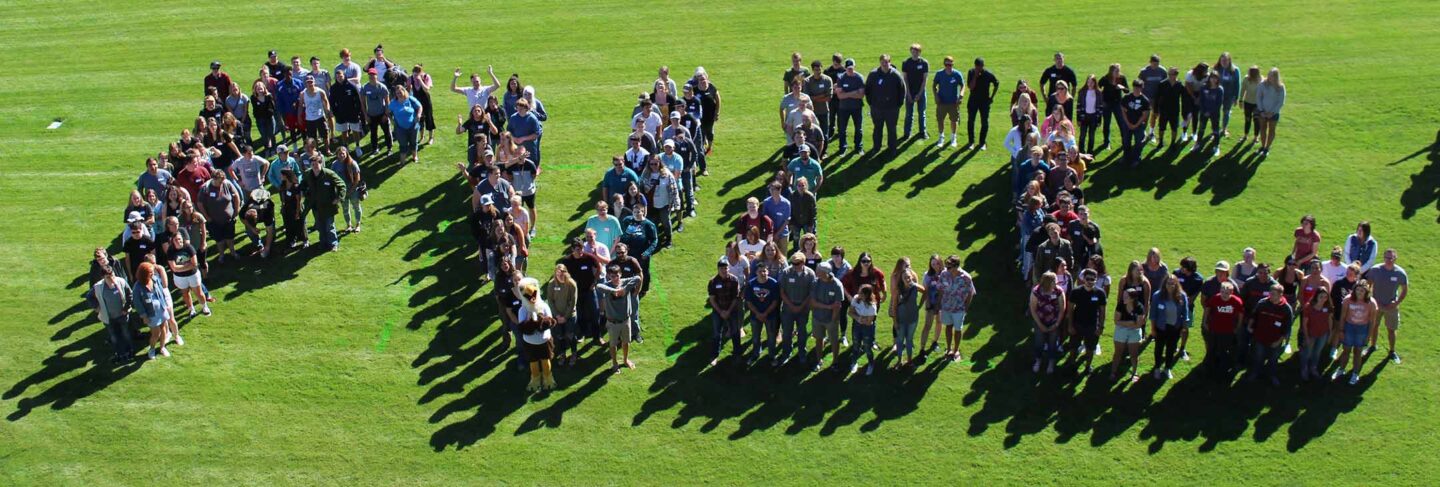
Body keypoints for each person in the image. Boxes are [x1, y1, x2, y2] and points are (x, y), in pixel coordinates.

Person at [1363, 249, 1407, 363]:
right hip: (1377, 305)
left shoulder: (1400, 273)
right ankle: (1372, 346)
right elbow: (1368, 285)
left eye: (1391, 258)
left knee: (1391, 329)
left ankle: (1392, 351)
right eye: (1386, 258)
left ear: (1395, 259)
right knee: (1374, 326)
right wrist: (1372, 300)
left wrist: (1396, 303)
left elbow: (1404, 289)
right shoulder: (1375, 270)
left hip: (1391, 306)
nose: (1388, 260)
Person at [597, 264, 643, 371]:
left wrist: (625, 289)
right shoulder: (607, 286)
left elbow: (638, 278)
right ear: (609, 276)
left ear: (620, 274)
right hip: (613, 323)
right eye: (612, 276)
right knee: (613, 344)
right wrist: (614, 291)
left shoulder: (625, 282)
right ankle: (614, 363)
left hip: (626, 321)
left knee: (626, 342)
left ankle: (626, 360)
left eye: (617, 275)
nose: (615, 278)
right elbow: (598, 286)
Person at [514, 277, 557, 391]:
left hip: (544, 341)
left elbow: (552, 322)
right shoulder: (522, 310)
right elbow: (522, 328)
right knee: (533, 362)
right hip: (530, 342)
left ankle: (548, 378)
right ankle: (535, 379)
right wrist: (532, 323)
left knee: (545, 360)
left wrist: (540, 320)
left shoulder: (543, 306)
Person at [1247, 283, 1293, 385]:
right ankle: (1255, 373)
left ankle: (1272, 375)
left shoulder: (1286, 309)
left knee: (1273, 359)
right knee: (1258, 357)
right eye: (1270, 293)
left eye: (1274, 294)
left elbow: (1287, 328)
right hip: (1259, 338)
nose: (1271, 296)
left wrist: (1279, 341)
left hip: (1275, 340)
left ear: (1281, 295)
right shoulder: (1262, 303)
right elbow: (1254, 316)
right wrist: (1250, 326)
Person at [90, 259, 135, 364]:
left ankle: (130, 351)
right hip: (108, 318)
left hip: (122, 316)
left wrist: (126, 308)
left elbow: (130, 295)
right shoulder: (98, 287)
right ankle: (120, 354)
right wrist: (96, 308)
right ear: (103, 277)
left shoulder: (121, 281)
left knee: (126, 334)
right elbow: (89, 297)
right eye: (108, 277)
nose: (111, 279)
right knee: (114, 337)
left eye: (112, 275)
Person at [1334, 280, 1377, 385]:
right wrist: (1341, 330)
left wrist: (1369, 335)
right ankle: (1341, 369)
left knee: (1358, 352)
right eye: (1358, 290)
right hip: (1349, 327)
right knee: (1346, 350)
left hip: (1362, 329)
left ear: (1366, 292)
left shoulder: (1371, 303)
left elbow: (1372, 321)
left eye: (1362, 290)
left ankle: (1355, 373)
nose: (1359, 292)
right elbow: (1343, 316)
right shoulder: (1348, 300)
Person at [841, 252, 886, 348]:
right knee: (857, 321)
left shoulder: (876, 272)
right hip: (858, 303)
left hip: (872, 303)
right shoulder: (852, 273)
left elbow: (882, 281)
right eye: (863, 261)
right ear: (859, 262)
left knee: (871, 323)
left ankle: (871, 341)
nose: (866, 263)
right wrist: (849, 297)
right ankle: (857, 342)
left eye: (868, 261)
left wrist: (884, 293)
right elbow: (843, 285)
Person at [1148, 275, 1190, 379]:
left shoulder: (1182, 296)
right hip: (1161, 327)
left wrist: (1183, 327)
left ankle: (1167, 368)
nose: (1170, 286)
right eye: (1168, 283)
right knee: (1159, 348)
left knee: (1171, 349)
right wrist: (1153, 329)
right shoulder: (1157, 296)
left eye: (1172, 283)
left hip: (1175, 327)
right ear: (1164, 284)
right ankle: (1157, 368)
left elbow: (1185, 313)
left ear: (1176, 284)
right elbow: (1153, 314)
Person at [197, 170, 243, 263]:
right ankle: (221, 255)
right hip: (214, 220)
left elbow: (236, 196)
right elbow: (200, 203)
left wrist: (236, 210)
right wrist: (207, 217)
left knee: (230, 237)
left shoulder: (227, 183)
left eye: (223, 180)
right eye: (220, 181)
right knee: (219, 239)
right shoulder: (205, 188)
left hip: (229, 219)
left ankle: (233, 252)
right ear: (213, 179)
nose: (222, 182)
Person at [740, 263, 780, 367]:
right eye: (760, 271)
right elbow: (748, 301)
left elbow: (775, 301)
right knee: (755, 337)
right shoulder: (751, 284)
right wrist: (758, 314)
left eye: (764, 271)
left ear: (768, 272)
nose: (762, 273)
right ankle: (755, 354)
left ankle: (772, 356)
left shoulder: (774, 283)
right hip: (755, 316)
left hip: (770, 316)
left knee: (771, 338)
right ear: (756, 272)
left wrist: (765, 313)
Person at [1066, 268, 1106, 373]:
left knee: (1090, 348)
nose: (1090, 281)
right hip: (1077, 324)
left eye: (1093, 279)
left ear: (1096, 280)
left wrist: (1100, 327)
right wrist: (1070, 325)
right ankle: (1071, 366)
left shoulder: (1100, 293)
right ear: (1083, 279)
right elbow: (1070, 309)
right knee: (1073, 347)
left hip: (1092, 326)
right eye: (1088, 279)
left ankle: (1088, 367)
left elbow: (1102, 312)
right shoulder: (1076, 291)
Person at [303, 155, 347, 251]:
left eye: (317, 164)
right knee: (320, 226)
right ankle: (322, 243)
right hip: (315, 206)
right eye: (313, 164)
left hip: (328, 206)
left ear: (321, 163)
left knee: (329, 226)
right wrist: (305, 193)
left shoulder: (329, 174)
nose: (315, 166)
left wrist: (339, 198)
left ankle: (333, 244)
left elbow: (342, 185)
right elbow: (303, 184)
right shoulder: (308, 174)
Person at [131, 263, 172, 360]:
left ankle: (162, 348)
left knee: (164, 330)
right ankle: (152, 349)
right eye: (150, 272)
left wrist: (165, 305)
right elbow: (137, 303)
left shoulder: (155, 279)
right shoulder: (137, 287)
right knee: (156, 333)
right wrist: (144, 316)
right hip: (151, 313)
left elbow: (161, 292)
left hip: (161, 309)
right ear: (144, 273)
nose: (152, 273)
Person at [1028, 271, 1066, 374]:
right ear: (1048, 282)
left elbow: (1062, 308)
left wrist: (1057, 324)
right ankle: (1038, 360)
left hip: (1054, 322)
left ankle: (1051, 362)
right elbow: (1033, 309)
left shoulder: (1059, 291)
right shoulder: (1036, 291)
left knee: (1052, 343)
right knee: (1039, 343)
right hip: (1040, 321)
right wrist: (1040, 325)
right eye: (1054, 281)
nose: (1056, 282)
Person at [707, 260, 744, 367]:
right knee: (716, 333)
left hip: (732, 310)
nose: (724, 270)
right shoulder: (713, 282)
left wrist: (728, 311)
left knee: (735, 332)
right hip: (718, 310)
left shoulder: (734, 280)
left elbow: (735, 298)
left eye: (726, 268)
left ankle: (737, 354)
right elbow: (712, 299)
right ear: (718, 269)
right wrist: (721, 312)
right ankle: (714, 355)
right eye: (722, 268)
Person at [889, 257, 924, 368]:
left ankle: (909, 360)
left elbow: (924, 291)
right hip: (901, 316)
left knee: (909, 340)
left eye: (909, 277)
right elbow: (894, 304)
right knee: (900, 339)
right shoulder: (896, 285)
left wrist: (919, 305)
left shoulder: (914, 282)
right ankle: (899, 360)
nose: (908, 279)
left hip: (913, 317)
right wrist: (895, 320)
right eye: (906, 278)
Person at [544, 265, 579, 367]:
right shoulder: (551, 284)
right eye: (558, 273)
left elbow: (573, 302)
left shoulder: (572, 284)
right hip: (557, 317)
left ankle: (574, 353)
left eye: (562, 272)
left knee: (570, 335)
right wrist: (557, 316)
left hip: (570, 316)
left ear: (566, 272)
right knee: (560, 336)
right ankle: (562, 354)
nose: (560, 275)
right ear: (555, 273)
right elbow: (550, 301)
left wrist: (565, 317)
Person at [1111, 284, 1146, 383]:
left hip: (1133, 332)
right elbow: (1116, 321)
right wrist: (1130, 323)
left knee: (1134, 354)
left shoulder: (1139, 307)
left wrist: (1126, 324)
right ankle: (1113, 372)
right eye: (1124, 295)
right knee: (1118, 353)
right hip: (1121, 330)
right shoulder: (1121, 305)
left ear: (1132, 298)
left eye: (1126, 296)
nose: (1123, 297)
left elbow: (1139, 325)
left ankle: (1134, 373)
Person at [931, 56, 966, 148]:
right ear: (944, 64)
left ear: (953, 64)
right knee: (940, 120)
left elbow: (963, 85)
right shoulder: (939, 74)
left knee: (954, 120)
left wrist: (961, 96)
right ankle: (941, 137)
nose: (948, 66)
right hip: (941, 102)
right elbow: (934, 85)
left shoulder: (957, 74)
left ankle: (953, 137)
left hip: (953, 103)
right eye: (946, 64)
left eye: (950, 64)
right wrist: (936, 96)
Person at [965, 57, 999, 150]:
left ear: (983, 66)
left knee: (984, 122)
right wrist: (975, 76)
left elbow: (996, 83)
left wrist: (991, 97)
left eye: (980, 67)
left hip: (984, 102)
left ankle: (982, 142)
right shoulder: (971, 72)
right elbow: (971, 87)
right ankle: (971, 142)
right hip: (973, 101)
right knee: (971, 121)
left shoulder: (988, 74)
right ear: (975, 66)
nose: (979, 69)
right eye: (977, 67)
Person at [833, 58, 866, 154]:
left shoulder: (859, 78)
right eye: (848, 68)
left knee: (858, 128)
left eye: (851, 68)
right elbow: (839, 96)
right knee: (842, 129)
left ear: (854, 67)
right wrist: (853, 92)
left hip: (857, 107)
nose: (850, 70)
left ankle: (858, 147)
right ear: (845, 68)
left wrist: (846, 93)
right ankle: (842, 148)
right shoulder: (841, 78)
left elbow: (861, 95)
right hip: (844, 108)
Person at [1299, 287, 1332, 381]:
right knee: (1307, 353)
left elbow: (1329, 320)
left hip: (1323, 334)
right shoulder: (1308, 307)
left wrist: (1329, 333)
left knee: (1317, 352)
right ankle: (1304, 368)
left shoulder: (1327, 307)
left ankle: (1313, 368)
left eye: (1325, 297)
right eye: (1321, 297)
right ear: (1316, 296)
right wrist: (1306, 337)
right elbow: (1304, 324)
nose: (1323, 299)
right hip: (1311, 334)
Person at [848, 284, 881, 376]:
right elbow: (850, 312)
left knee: (867, 347)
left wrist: (859, 318)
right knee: (856, 345)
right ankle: (854, 362)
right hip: (857, 325)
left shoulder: (872, 306)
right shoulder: (856, 298)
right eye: (859, 292)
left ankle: (870, 364)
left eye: (861, 294)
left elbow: (869, 322)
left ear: (867, 295)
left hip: (868, 328)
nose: (859, 295)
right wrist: (859, 318)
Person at [901, 44, 930, 140]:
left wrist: (920, 93)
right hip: (909, 92)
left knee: (922, 113)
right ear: (910, 51)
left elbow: (925, 80)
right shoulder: (906, 63)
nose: (915, 53)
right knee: (909, 114)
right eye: (913, 51)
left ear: (920, 52)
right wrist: (908, 93)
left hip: (921, 92)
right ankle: (907, 133)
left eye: (917, 51)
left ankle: (922, 132)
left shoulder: (924, 63)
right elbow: (905, 79)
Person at [388, 85, 423, 163]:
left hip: (413, 126)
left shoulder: (410, 99)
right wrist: (392, 120)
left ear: (404, 91)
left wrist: (418, 115)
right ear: (395, 94)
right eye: (397, 93)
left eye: (400, 92)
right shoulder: (393, 103)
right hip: (400, 128)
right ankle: (402, 161)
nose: (399, 94)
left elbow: (420, 106)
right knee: (403, 144)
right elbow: (387, 112)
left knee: (413, 142)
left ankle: (415, 156)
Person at [1255, 67, 1286, 155]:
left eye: (1272, 76)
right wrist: (1261, 111)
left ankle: (1267, 148)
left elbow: (1281, 102)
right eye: (1269, 75)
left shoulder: (1281, 87)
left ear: (1276, 77)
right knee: (1262, 129)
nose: (1269, 77)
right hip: (1262, 112)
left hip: (1274, 113)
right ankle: (1262, 146)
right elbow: (1258, 98)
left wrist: (1272, 112)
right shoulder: (1262, 85)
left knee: (1271, 130)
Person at [1119, 79, 1150, 167]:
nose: (1136, 89)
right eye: (1135, 87)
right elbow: (1123, 111)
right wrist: (1128, 123)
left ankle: (1136, 159)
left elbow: (1145, 115)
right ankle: (1126, 157)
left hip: (1139, 125)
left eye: (1138, 88)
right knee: (1126, 142)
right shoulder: (1127, 97)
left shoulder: (1145, 101)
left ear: (1142, 88)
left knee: (1138, 143)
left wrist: (1135, 125)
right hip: (1127, 124)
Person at [332, 147, 363, 233]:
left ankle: (357, 225)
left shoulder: (352, 163)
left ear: (346, 153)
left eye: (343, 153)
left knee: (356, 207)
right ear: (337, 155)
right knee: (345, 208)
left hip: (353, 190)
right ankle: (349, 225)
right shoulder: (334, 164)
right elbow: (332, 177)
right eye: (340, 153)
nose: (342, 155)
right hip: (341, 191)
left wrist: (351, 190)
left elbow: (357, 179)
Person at [1137, 54, 1167, 141]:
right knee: (1145, 116)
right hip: (1146, 97)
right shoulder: (1144, 72)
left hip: (1157, 98)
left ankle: (1151, 132)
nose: (1155, 66)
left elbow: (1165, 84)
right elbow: (1139, 84)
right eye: (1154, 64)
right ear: (1150, 62)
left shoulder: (1162, 71)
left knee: (1155, 115)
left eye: (1157, 64)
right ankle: (1143, 132)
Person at [360, 69, 391, 153]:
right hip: (371, 115)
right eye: (370, 75)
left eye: (373, 75)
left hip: (382, 114)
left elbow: (388, 102)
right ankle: (375, 149)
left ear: (376, 76)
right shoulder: (365, 87)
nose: (372, 77)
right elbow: (363, 103)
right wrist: (366, 116)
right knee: (373, 133)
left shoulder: (382, 87)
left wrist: (386, 114)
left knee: (387, 132)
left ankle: (389, 148)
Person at [239, 189, 277, 258]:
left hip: (267, 206)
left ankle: (269, 245)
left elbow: (269, 230)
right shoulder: (244, 210)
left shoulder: (266, 210)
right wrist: (252, 228)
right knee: (249, 231)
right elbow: (241, 218)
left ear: (257, 219)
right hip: (256, 202)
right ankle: (259, 246)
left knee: (272, 230)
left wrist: (267, 249)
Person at [1195, 72, 1225, 156]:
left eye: (1215, 78)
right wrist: (1204, 111)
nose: (1213, 79)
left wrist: (1210, 112)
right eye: (1212, 77)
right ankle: (1197, 143)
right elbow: (1201, 101)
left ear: (1218, 79)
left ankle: (1216, 145)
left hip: (1214, 113)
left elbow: (1218, 104)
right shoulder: (1204, 87)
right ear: (1209, 78)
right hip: (1204, 112)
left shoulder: (1219, 89)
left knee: (1215, 130)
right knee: (1201, 128)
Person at [804, 60, 835, 140]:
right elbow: (807, 98)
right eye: (816, 70)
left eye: (819, 70)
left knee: (824, 135)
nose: (818, 72)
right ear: (812, 70)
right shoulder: (807, 81)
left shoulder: (827, 80)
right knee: (812, 134)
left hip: (824, 111)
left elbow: (829, 97)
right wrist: (822, 95)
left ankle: (824, 151)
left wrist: (814, 98)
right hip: (811, 112)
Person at [1153, 67, 1183, 148]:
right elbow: (1157, 97)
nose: (1169, 75)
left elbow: (1183, 98)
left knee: (1174, 128)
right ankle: (1161, 142)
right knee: (1162, 127)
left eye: (1171, 74)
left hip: (1175, 110)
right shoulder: (1162, 84)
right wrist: (1156, 110)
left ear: (1176, 75)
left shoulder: (1179, 85)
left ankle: (1173, 143)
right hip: (1164, 110)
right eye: (1168, 74)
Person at [408, 65, 436, 145]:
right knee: (419, 119)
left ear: (421, 72)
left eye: (417, 74)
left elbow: (426, 89)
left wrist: (420, 80)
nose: (415, 76)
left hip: (426, 101)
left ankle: (431, 138)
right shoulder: (411, 78)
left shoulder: (426, 77)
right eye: (414, 74)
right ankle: (422, 137)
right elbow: (408, 89)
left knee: (429, 119)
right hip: (416, 101)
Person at [1237, 65, 1263, 143]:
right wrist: (1241, 100)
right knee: (1247, 119)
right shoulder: (1246, 79)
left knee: (1256, 121)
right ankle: (1245, 135)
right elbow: (1242, 90)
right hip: (1248, 103)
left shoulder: (1261, 80)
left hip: (1257, 104)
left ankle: (1255, 137)